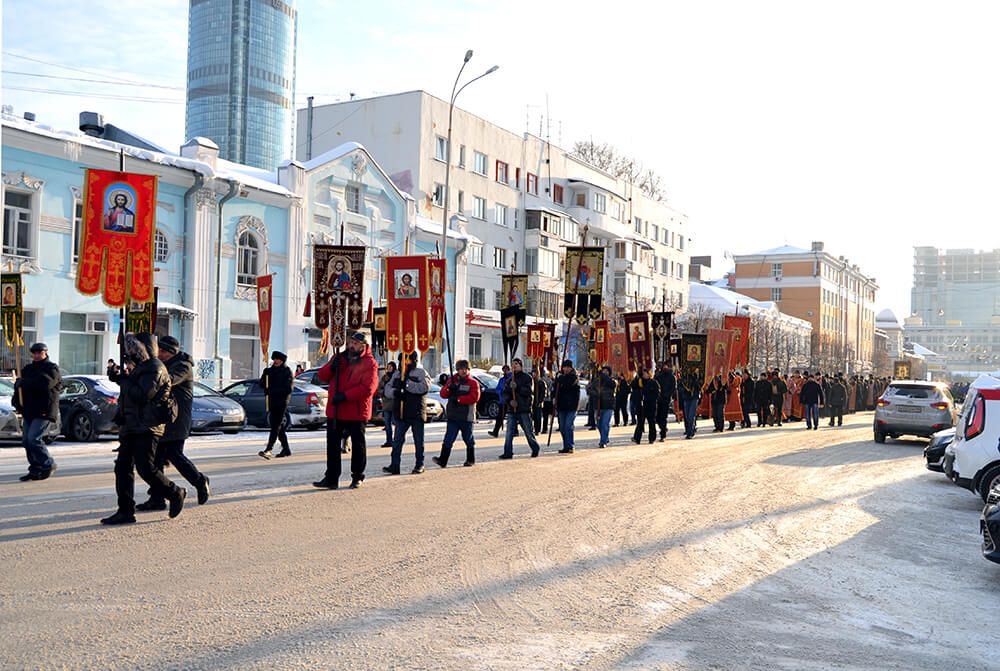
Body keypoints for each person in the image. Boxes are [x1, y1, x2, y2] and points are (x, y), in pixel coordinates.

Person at [100, 333, 186, 525]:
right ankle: (125, 511)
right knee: (122, 469)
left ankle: (175, 492)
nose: (129, 353)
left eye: (133, 349)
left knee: (146, 469)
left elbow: (143, 395)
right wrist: (118, 377)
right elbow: (131, 393)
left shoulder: (155, 368)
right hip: (131, 425)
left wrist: (124, 380)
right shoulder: (141, 368)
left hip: (148, 426)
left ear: (143, 349)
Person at [135, 335, 210, 511]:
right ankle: (157, 498)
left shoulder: (183, 366)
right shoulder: (164, 365)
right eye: (158, 350)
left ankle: (200, 481)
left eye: (162, 351)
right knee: (156, 459)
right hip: (162, 418)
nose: (159, 353)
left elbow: (167, 381)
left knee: (174, 455)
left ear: (171, 352)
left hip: (177, 419)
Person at [313, 331, 378, 489]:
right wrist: (332, 368)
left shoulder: (370, 363)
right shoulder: (339, 358)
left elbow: (368, 388)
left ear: (364, 346)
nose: (351, 346)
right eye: (350, 342)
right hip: (336, 410)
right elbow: (322, 375)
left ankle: (357, 476)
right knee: (333, 446)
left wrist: (345, 396)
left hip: (356, 411)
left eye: (355, 344)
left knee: (358, 445)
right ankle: (331, 478)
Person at [13, 342, 61, 481]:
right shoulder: (28, 369)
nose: (36, 355)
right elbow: (21, 388)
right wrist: (17, 401)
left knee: (34, 439)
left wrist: (24, 382)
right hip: (29, 410)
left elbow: (45, 384)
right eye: (34, 353)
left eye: (39, 352)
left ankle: (47, 463)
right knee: (26, 441)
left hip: (44, 409)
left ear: (45, 353)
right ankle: (35, 467)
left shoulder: (51, 368)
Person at [383, 352, 430, 475]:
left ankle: (419, 464)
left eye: (407, 360)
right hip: (401, 413)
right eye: (403, 361)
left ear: (414, 360)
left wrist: (408, 384)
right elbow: (387, 390)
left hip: (416, 412)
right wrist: (395, 392)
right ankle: (395, 465)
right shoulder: (397, 374)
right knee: (397, 441)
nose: (405, 363)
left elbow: (424, 388)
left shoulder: (421, 373)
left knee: (418, 441)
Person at [433, 360, 481, 468]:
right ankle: (443, 460)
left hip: (466, 416)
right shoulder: (452, 380)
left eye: (466, 369)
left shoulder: (473, 383)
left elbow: (474, 397)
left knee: (468, 438)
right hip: (453, 416)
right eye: (461, 369)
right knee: (448, 438)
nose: (463, 371)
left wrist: (459, 399)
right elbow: (443, 394)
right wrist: (449, 387)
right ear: (457, 370)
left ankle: (470, 459)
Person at [500, 358, 541, 459]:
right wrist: (510, 401)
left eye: (516, 364)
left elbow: (528, 392)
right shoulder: (510, 379)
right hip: (512, 409)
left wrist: (517, 387)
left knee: (528, 431)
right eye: (513, 364)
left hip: (523, 409)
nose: (514, 366)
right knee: (509, 432)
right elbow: (505, 393)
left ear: (521, 365)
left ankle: (535, 448)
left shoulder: (527, 378)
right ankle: (508, 452)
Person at [258, 351, 293, 459]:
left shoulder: (287, 371)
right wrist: (265, 377)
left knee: (275, 425)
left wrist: (273, 390)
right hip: (271, 401)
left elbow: (288, 389)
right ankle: (286, 449)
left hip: (281, 402)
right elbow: (262, 384)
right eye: (275, 359)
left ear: (282, 361)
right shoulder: (269, 371)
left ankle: (269, 449)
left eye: (278, 359)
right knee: (278, 426)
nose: (276, 361)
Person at [554, 359, 581, 454]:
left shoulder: (574, 377)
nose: (565, 369)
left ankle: (570, 445)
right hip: (561, 406)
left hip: (571, 406)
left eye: (567, 367)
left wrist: (559, 378)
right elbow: (555, 388)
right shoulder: (560, 376)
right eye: (564, 367)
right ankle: (566, 445)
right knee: (562, 427)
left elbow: (567, 384)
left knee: (568, 426)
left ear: (571, 368)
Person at [633, 368, 660, 444]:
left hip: (651, 405)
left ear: (649, 374)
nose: (644, 375)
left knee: (651, 422)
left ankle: (652, 438)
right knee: (640, 422)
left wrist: (650, 398)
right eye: (643, 374)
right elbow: (633, 386)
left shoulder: (653, 382)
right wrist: (637, 378)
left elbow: (657, 393)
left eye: (646, 373)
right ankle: (637, 438)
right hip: (642, 405)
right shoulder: (640, 381)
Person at [594, 365, 616, 448]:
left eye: (607, 371)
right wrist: (596, 394)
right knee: (599, 424)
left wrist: (603, 376)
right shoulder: (597, 380)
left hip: (608, 406)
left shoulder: (611, 381)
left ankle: (603, 441)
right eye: (603, 371)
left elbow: (612, 385)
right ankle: (605, 437)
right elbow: (589, 388)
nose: (605, 372)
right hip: (598, 405)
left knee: (605, 424)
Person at [677, 367, 702, 439]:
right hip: (686, 398)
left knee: (691, 415)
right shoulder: (684, 377)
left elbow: (700, 386)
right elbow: (679, 386)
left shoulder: (697, 376)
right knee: (687, 416)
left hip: (694, 397)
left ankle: (690, 433)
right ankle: (692, 428)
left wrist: (695, 378)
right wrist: (683, 390)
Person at [377, 361, 398, 447]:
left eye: (390, 367)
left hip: (393, 404)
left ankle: (396, 440)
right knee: (387, 424)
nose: (389, 368)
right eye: (388, 367)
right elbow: (379, 388)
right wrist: (383, 392)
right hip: (386, 404)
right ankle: (389, 440)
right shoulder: (384, 377)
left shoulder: (396, 376)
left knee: (396, 423)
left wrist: (391, 392)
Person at [654, 363, 676, 441]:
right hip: (658, 399)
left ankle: (663, 434)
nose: (665, 367)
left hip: (666, 399)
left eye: (667, 366)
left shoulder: (671, 376)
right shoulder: (658, 375)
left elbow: (673, 388)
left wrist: (668, 395)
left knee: (663, 417)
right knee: (657, 418)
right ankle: (663, 427)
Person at [488, 365, 511, 438]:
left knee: (513, 417)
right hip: (502, 400)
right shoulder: (502, 380)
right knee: (500, 417)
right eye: (504, 370)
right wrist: (500, 392)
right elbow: (497, 389)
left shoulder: (511, 378)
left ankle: (515, 431)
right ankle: (495, 431)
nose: (505, 372)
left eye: (506, 370)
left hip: (510, 400)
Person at [531, 368, 546, 434]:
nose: (534, 374)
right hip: (532, 402)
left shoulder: (541, 382)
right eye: (533, 373)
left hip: (539, 402)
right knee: (533, 416)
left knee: (538, 416)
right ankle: (534, 428)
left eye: (535, 373)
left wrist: (540, 400)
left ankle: (538, 429)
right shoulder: (532, 382)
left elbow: (543, 393)